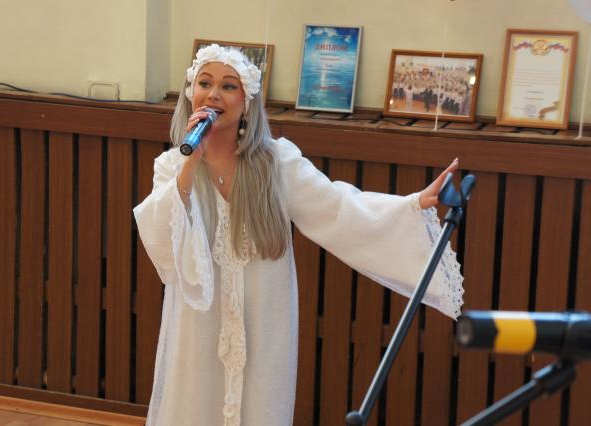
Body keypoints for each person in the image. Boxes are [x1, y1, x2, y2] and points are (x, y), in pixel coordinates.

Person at [133, 44, 464, 426]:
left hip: (264, 322)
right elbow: (162, 239)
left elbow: (338, 206)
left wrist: (413, 204)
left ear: (247, 101)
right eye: (205, 83)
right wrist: (190, 163)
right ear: (191, 93)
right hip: (198, 325)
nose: (214, 94)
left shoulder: (276, 162)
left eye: (228, 86)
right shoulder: (172, 166)